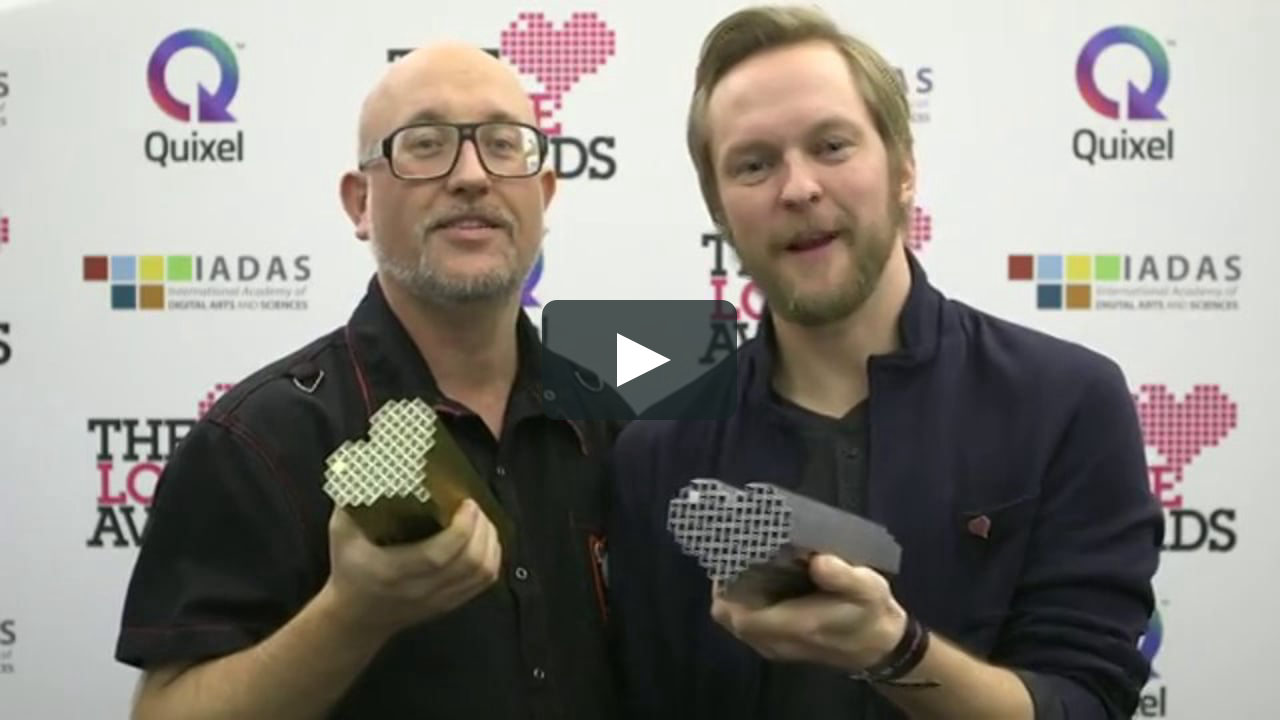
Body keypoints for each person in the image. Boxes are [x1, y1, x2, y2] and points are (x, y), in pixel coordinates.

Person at [606, 6, 1163, 720]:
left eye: (832, 146)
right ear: (720, 210)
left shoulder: (1067, 403)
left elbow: (1085, 703)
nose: (798, 187)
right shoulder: (658, 449)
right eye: (754, 164)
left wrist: (895, 652)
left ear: (903, 168)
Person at [115, 41, 633, 720]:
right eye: (426, 144)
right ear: (360, 202)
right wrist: (351, 614)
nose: (471, 175)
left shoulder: (612, 424)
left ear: (544, 194)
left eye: (503, 145)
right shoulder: (257, 442)